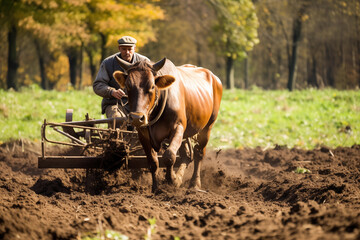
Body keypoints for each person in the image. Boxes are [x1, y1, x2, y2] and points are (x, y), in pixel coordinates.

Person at [93, 36, 150, 119]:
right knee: (117, 120)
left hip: (140, 104)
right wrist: (112, 92)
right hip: (115, 104)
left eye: (130, 49)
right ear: (119, 48)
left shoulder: (145, 62)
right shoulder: (108, 63)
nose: (127, 52)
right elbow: (98, 85)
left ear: (135, 49)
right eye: (124, 49)